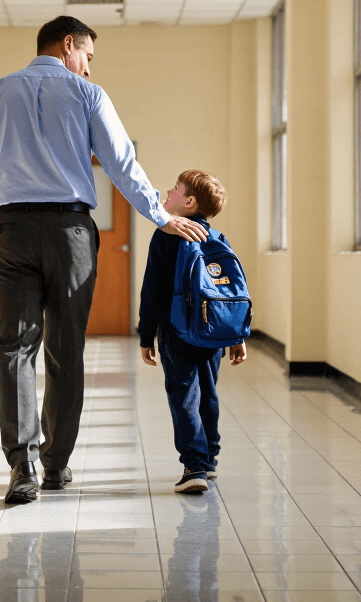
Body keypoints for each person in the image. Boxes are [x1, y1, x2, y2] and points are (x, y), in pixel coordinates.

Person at [0, 16, 209, 504]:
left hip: (9, 230)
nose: (88, 69)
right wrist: (161, 217)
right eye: (87, 56)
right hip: (70, 231)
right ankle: (54, 466)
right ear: (68, 45)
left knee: (13, 348)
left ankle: (22, 466)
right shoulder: (88, 95)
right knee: (65, 349)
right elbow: (121, 163)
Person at [138, 170, 248, 493]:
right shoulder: (218, 241)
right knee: (208, 394)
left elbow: (152, 290)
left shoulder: (165, 237)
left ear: (188, 202)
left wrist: (146, 335)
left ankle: (194, 466)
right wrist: (237, 337)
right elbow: (230, 293)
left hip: (177, 333)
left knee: (184, 395)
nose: (168, 194)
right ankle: (209, 459)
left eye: (174, 190)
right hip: (213, 333)